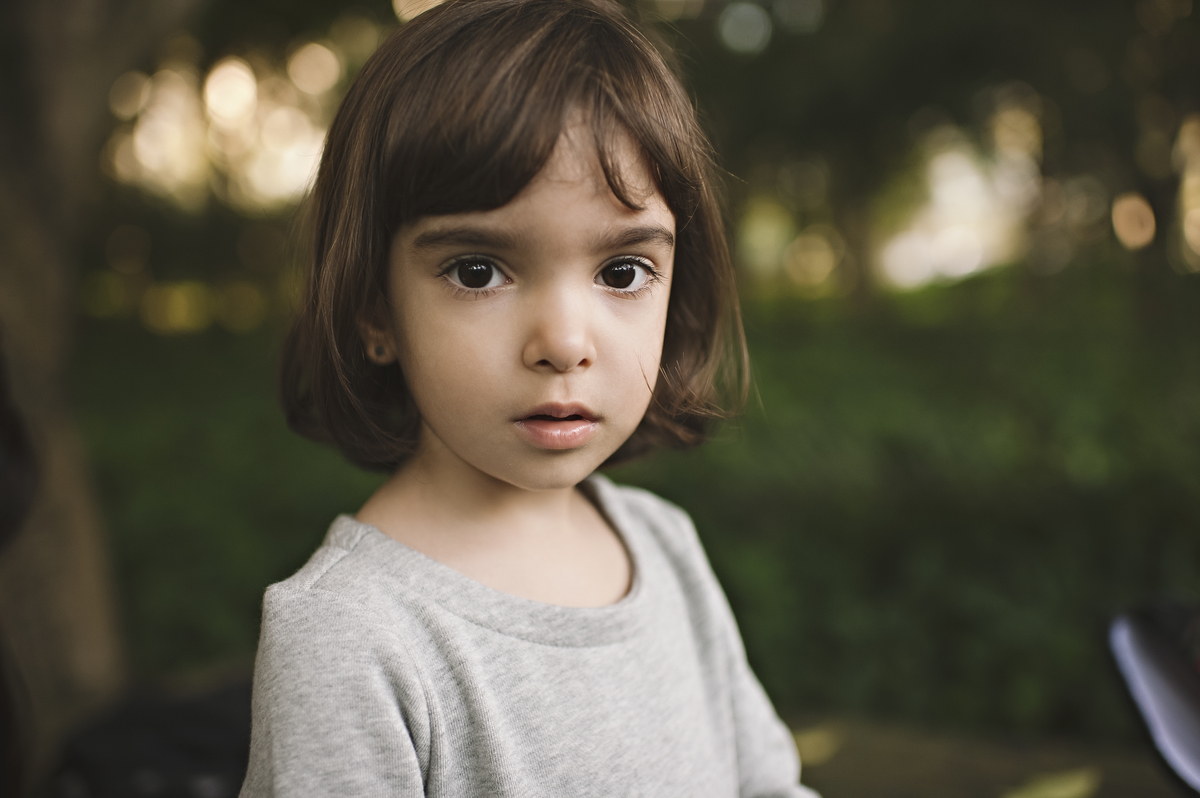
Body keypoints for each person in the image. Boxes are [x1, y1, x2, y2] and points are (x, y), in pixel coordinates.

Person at [241, 0, 817, 795]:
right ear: (375, 308)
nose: (563, 341)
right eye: (478, 270)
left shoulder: (663, 547)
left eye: (621, 272)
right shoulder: (350, 637)